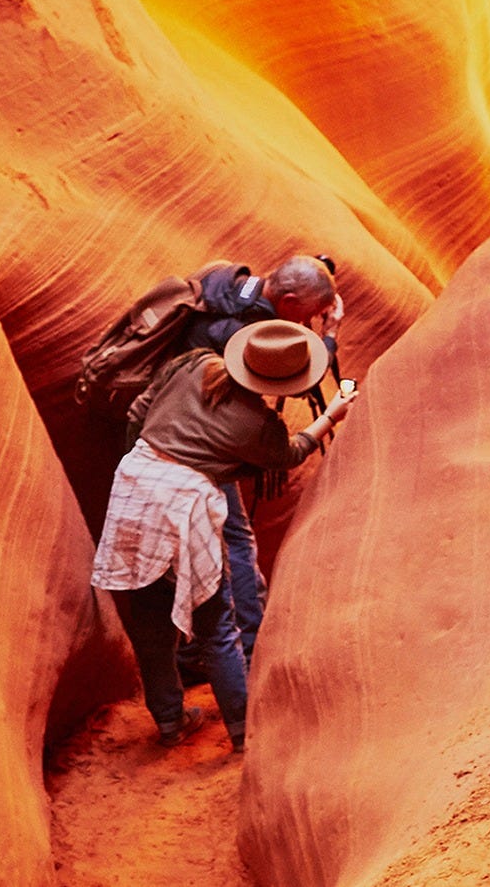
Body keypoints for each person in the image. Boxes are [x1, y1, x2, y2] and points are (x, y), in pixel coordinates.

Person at [95, 319, 358, 750]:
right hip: (183, 506)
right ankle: (242, 728)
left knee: (149, 617)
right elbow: (288, 454)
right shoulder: (257, 425)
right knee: (216, 622)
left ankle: (169, 721)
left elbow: (142, 412)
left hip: (133, 489)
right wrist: (331, 415)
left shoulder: (193, 362)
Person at [169, 254, 341, 680]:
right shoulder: (254, 333)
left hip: (172, 422)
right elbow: (303, 381)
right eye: (310, 313)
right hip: (206, 443)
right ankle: (247, 649)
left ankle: (192, 656)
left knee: (199, 549)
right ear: (286, 300)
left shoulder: (231, 282)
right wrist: (331, 335)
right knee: (237, 545)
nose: (311, 322)